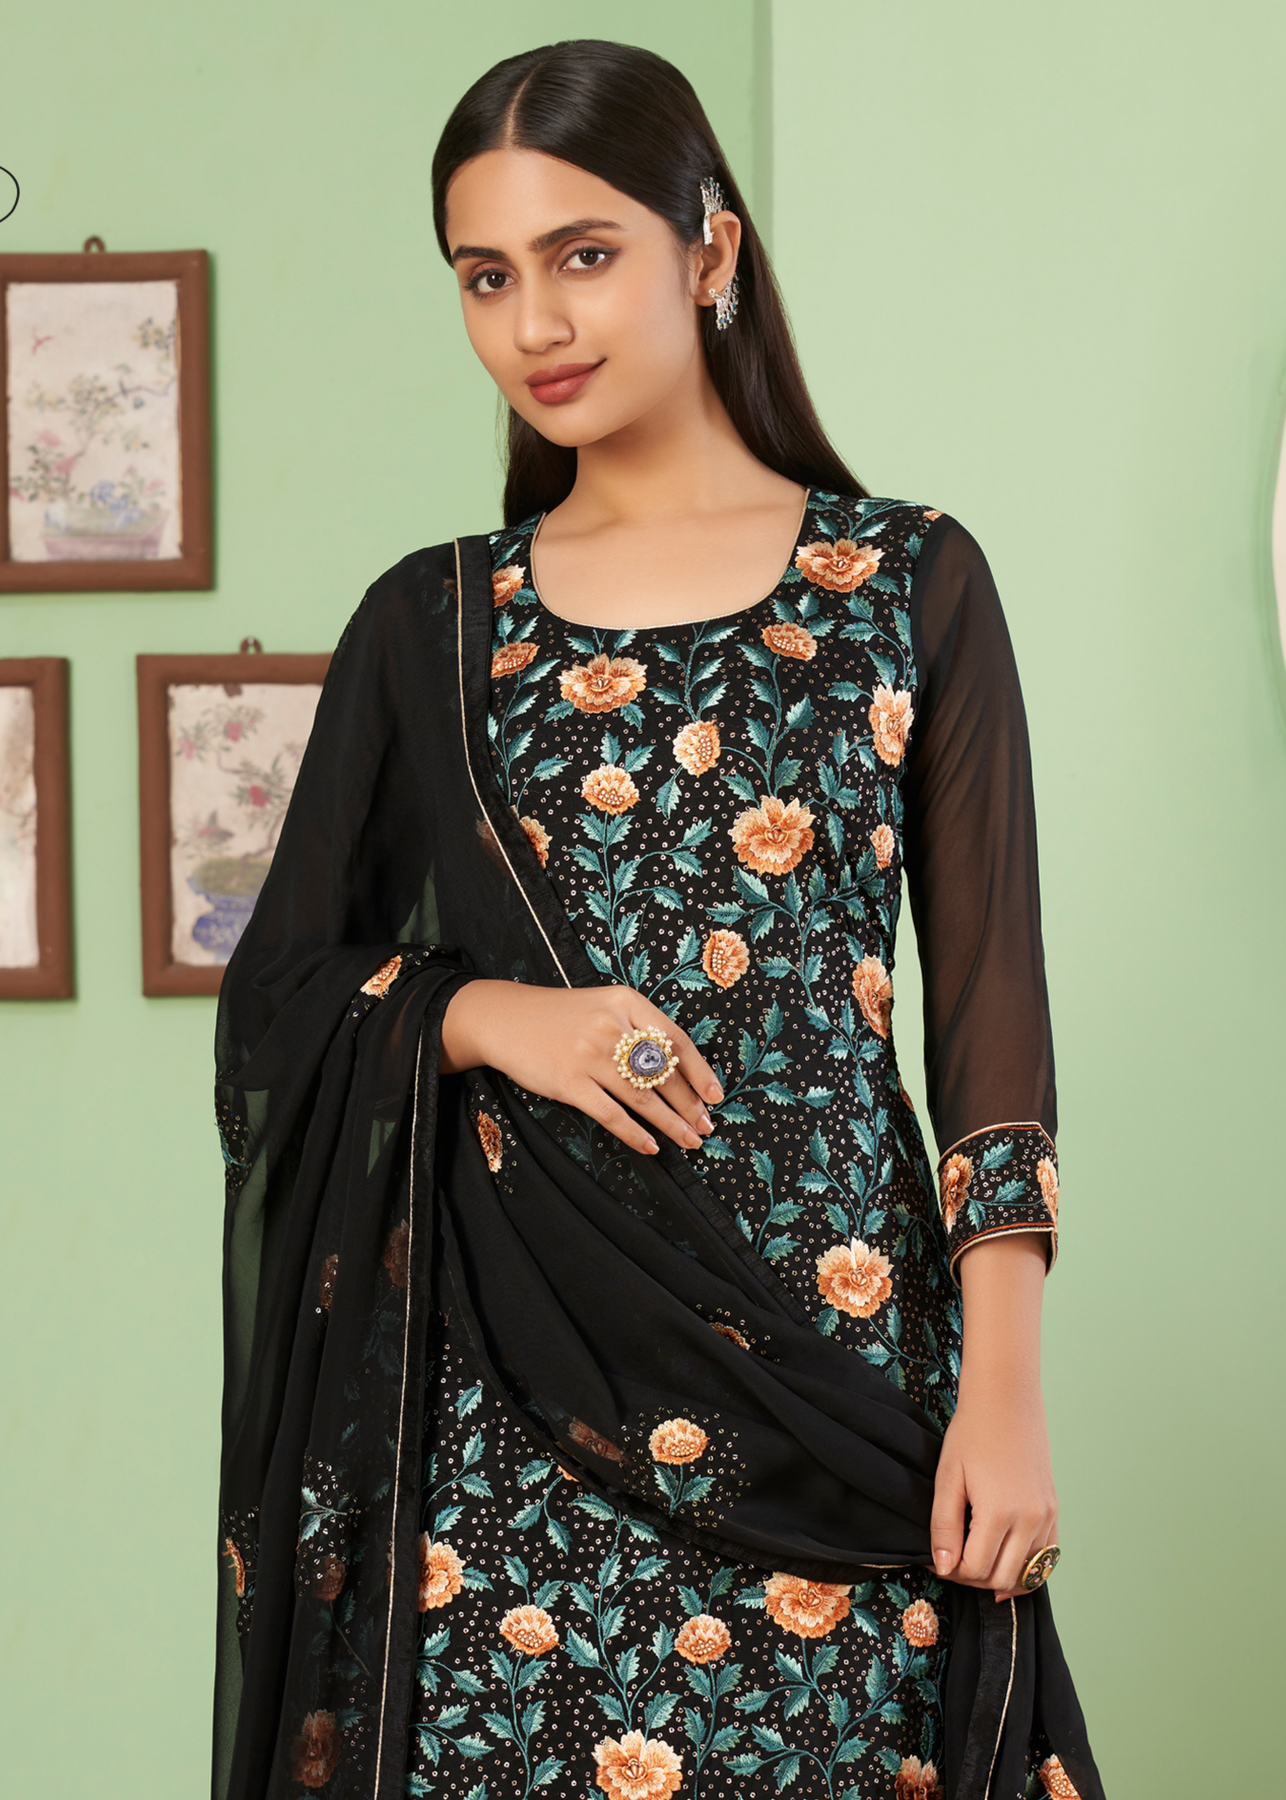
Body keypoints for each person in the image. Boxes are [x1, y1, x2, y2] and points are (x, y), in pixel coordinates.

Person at [212, 39, 1102, 1800]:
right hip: (514, 1415)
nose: (535, 321)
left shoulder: (906, 581)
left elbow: (987, 1010)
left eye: (583, 254)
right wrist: (494, 1018)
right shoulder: (432, 627)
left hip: (835, 1367)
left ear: (710, 251)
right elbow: (279, 1003)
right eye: (485, 275)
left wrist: (1002, 1389)